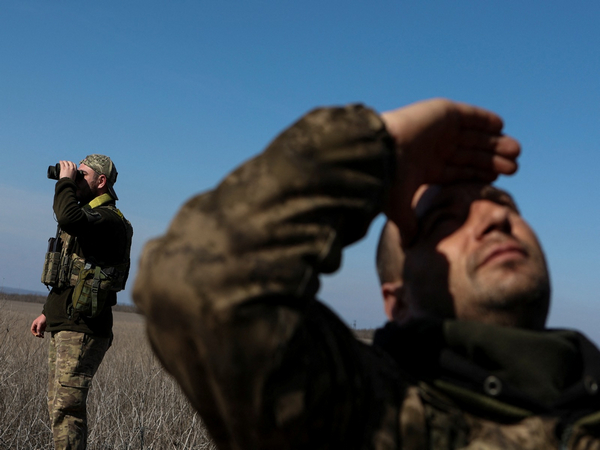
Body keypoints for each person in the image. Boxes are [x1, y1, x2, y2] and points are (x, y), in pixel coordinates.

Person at [133, 99, 600, 449]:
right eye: (444, 222)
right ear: (396, 301)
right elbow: (198, 283)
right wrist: (381, 148)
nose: (495, 220)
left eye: (503, 205)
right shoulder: (378, 417)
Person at [31, 155, 133, 450]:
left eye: (81, 175)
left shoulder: (109, 220)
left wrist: (64, 181)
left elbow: (67, 217)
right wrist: (47, 313)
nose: (75, 178)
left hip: (84, 327)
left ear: (101, 182)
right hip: (66, 322)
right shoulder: (89, 218)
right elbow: (73, 273)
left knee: (67, 409)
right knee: (57, 406)